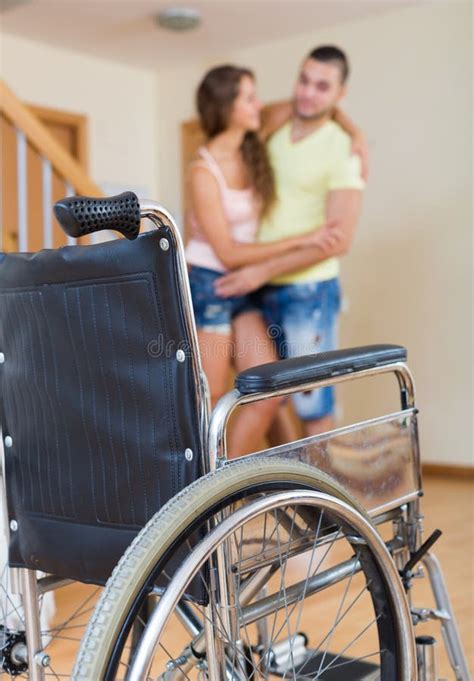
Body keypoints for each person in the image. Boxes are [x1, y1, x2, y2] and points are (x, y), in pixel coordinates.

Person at [215, 46, 365, 439]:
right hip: (260, 287)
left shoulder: (343, 149)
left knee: (312, 404)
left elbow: (339, 240)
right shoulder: (276, 125)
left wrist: (261, 269)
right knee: (267, 398)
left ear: (339, 93)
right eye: (304, 80)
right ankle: (282, 491)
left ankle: (318, 501)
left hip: (308, 291)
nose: (308, 93)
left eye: (322, 86)